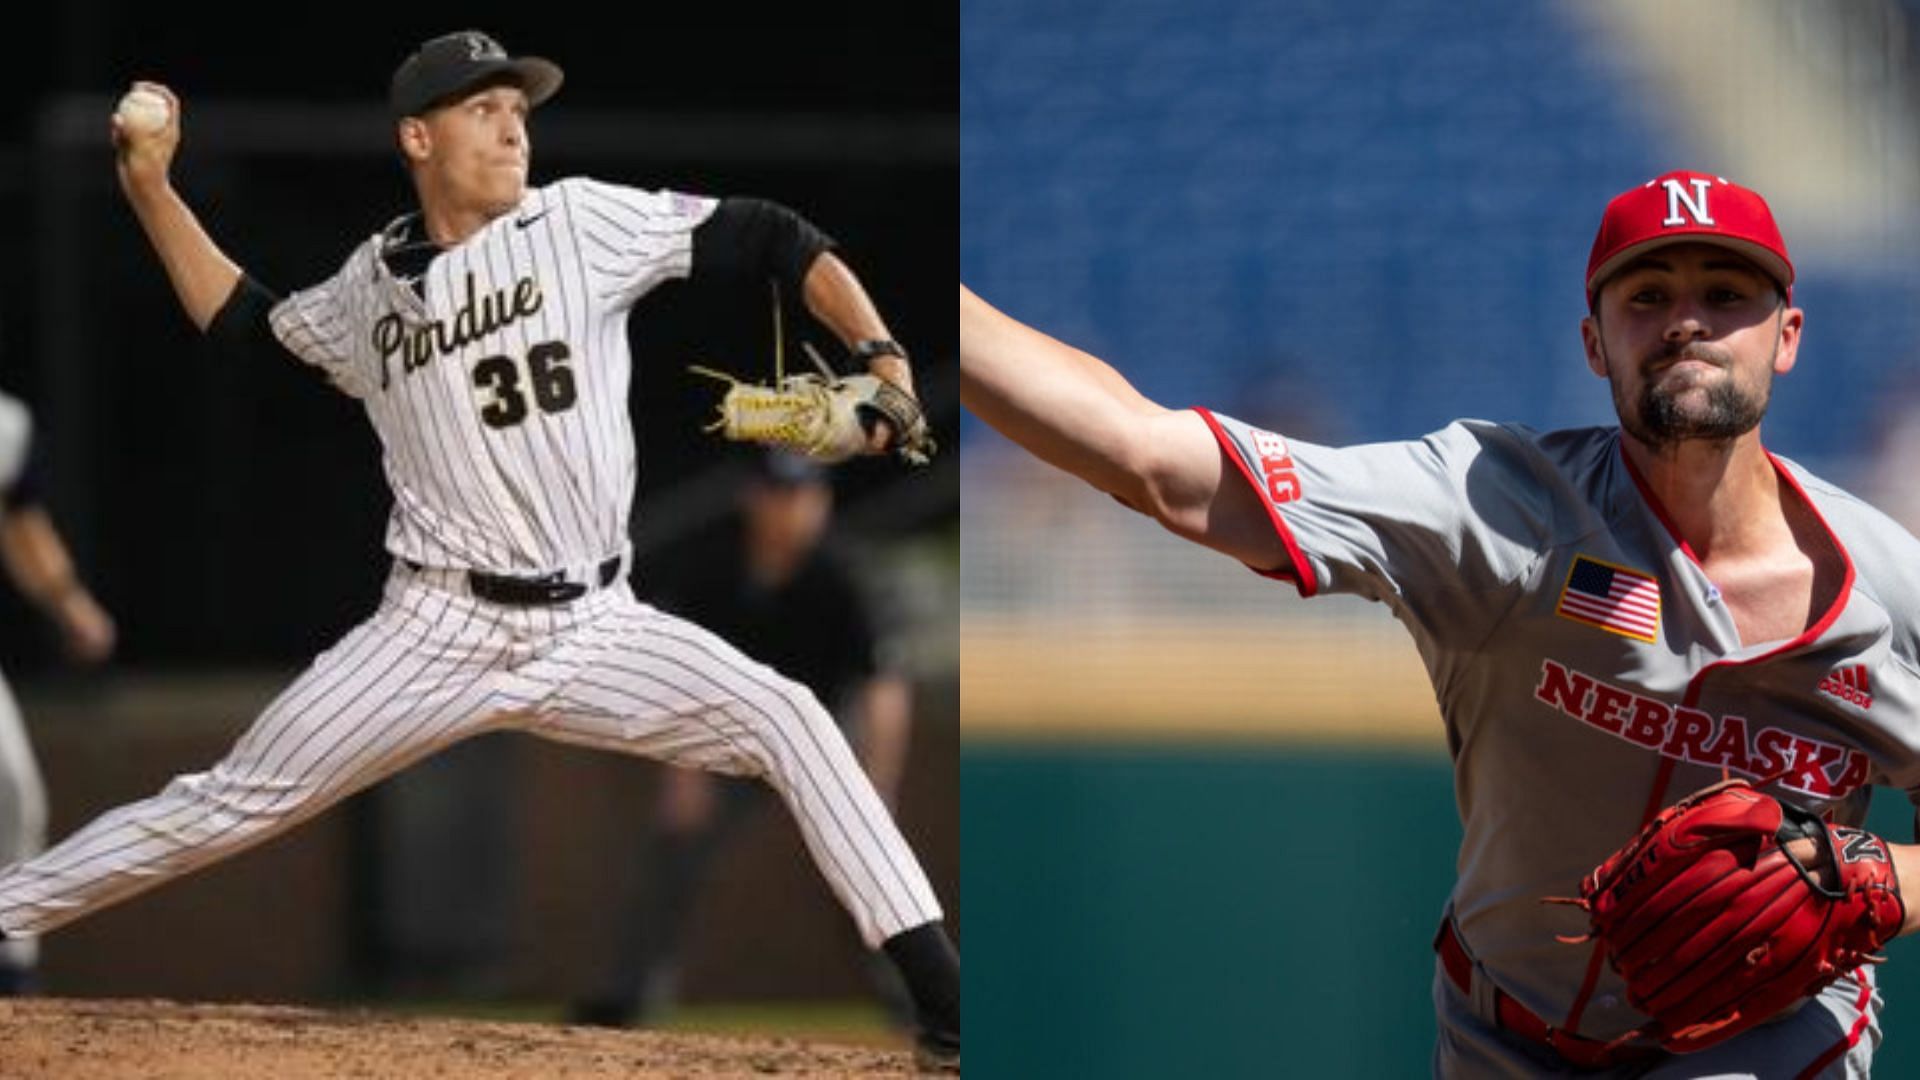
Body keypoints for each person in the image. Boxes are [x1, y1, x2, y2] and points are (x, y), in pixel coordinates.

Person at [0, 29, 958, 1070]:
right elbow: (249, 324)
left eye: (521, 110)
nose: (515, 128)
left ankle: (949, 1005)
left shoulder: (582, 219)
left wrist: (883, 356)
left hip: (598, 623)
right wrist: (150, 188)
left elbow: (774, 235)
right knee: (226, 802)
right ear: (419, 135)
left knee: (791, 717)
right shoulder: (370, 287)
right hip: (433, 627)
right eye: (485, 110)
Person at [960, 169, 1920, 1077]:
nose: (1686, 323)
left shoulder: (1891, 591)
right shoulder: (1498, 508)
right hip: (1503, 1025)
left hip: (1772, 1028)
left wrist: (1884, 880)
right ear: (1594, 343)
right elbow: (1151, 458)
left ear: (1787, 335)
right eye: (1647, 297)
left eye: (1725, 294)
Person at [572, 448, 918, 1028]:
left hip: (824, 744)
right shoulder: (713, 569)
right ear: (750, 498)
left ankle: (917, 1006)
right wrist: (682, 773)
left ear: (823, 501)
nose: (790, 508)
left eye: (803, 495)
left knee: (866, 870)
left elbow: (884, 691)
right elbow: (676, 678)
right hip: (727, 743)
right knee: (673, 852)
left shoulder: (845, 574)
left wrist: (876, 786)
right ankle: (626, 1002)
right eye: (777, 493)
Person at [0, 390, 116, 993]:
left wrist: (69, 603)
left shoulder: (6, 423)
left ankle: (12, 981)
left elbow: (21, 523)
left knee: (14, 793)